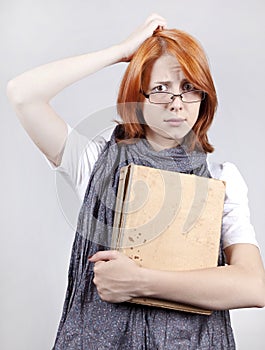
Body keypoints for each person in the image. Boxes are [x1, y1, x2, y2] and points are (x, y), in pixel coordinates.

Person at [7, 13, 265, 350]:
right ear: (138, 99)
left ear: (204, 98)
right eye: (160, 89)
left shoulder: (221, 178)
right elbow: (23, 94)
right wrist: (120, 51)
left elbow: (252, 287)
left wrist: (141, 282)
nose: (176, 103)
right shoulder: (95, 161)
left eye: (189, 88)